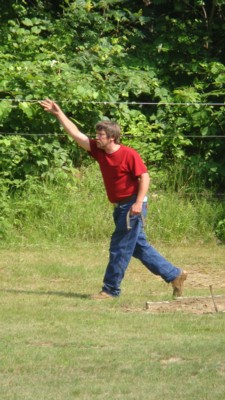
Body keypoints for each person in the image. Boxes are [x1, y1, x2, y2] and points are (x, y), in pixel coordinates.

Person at [40, 99, 187, 299]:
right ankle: (174, 275)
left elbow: (144, 177)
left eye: (100, 135)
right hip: (120, 207)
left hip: (132, 206)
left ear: (112, 138)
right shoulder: (99, 152)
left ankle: (110, 290)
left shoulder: (128, 154)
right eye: (97, 134)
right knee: (137, 247)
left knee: (119, 248)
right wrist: (59, 114)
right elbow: (75, 133)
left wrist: (137, 203)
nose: (96, 137)